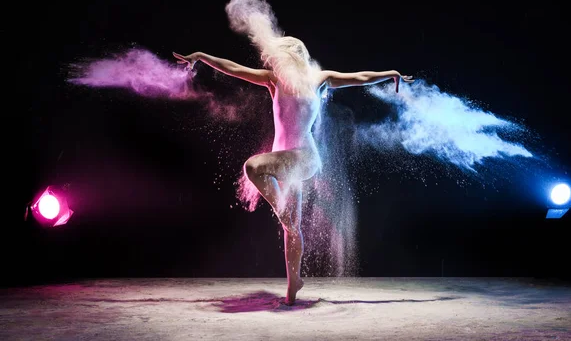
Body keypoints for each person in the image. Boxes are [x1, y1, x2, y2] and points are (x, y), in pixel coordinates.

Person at [173, 38, 414, 305]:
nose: (274, 61)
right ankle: (293, 287)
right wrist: (201, 55)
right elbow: (232, 68)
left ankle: (284, 218)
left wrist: (390, 74)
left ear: (294, 56)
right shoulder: (273, 80)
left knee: (253, 167)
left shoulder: (319, 78)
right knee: (292, 227)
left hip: (305, 157)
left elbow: (360, 76)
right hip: (282, 160)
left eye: (280, 57)